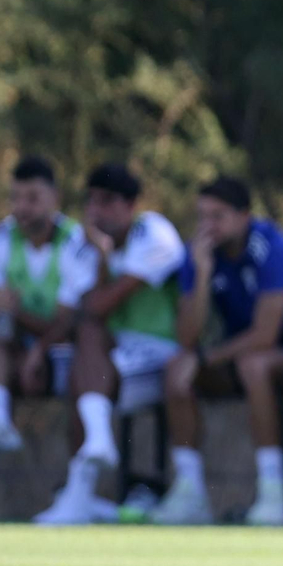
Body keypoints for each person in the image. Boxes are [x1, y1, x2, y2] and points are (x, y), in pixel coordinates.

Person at [34, 164, 186, 526]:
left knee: (84, 376)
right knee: (83, 367)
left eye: (107, 201)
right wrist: (37, 350)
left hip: (160, 356)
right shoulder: (80, 244)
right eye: (90, 201)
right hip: (111, 357)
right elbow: (77, 314)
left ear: (131, 205)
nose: (95, 210)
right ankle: (88, 468)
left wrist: (102, 257)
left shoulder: (154, 232)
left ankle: (80, 492)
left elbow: (100, 306)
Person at [151, 176, 283, 526]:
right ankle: (189, 491)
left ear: (244, 215)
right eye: (202, 217)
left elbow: (266, 336)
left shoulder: (275, 249)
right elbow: (187, 337)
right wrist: (202, 275)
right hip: (236, 357)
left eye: (218, 216)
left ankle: (272, 493)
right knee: (177, 368)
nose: (208, 226)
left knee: (254, 365)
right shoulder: (199, 254)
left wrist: (206, 359)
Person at [0, 158, 97, 521]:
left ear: (54, 197)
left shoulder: (75, 242)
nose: (22, 207)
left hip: (64, 356)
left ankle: (78, 495)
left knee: (85, 378)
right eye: (16, 198)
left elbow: (71, 319)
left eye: (33, 198)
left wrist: (20, 316)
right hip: (19, 353)